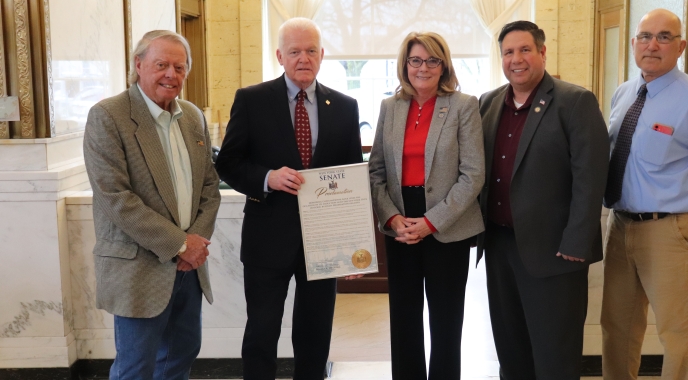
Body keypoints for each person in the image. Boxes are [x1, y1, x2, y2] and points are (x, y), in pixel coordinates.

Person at [214, 17, 363, 380]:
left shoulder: (344, 106)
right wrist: (267, 178)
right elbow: (228, 164)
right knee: (262, 333)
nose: (303, 58)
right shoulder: (251, 100)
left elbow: (353, 179)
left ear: (322, 55)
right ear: (280, 55)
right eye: (295, 51)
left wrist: (353, 246)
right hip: (268, 238)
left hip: (325, 243)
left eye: (311, 51)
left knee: (314, 335)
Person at [601, 9, 688, 380]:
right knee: (616, 328)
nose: (652, 44)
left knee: (678, 335)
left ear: (680, 47)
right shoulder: (624, 93)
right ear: (633, 44)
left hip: (672, 231)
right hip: (620, 225)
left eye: (664, 37)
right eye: (645, 36)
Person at [83, 30, 221, 379]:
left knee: (181, 356)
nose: (171, 74)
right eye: (161, 65)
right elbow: (116, 198)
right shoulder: (108, 116)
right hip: (138, 270)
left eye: (180, 66)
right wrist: (180, 244)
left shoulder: (192, 116)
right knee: (136, 367)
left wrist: (195, 244)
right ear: (138, 65)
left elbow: (209, 186)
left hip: (189, 269)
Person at [476, 21, 609, 379]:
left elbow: (590, 177)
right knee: (510, 349)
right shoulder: (488, 103)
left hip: (556, 253)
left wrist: (577, 242)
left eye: (524, 50)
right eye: (508, 52)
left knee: (555, 355)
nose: (516, 59)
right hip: (500, 247)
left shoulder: (574, 101)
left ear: (542, 52)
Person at [368, 31, 485, 379]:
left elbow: (473, 174)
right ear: (405, 64)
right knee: (403, 318)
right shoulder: (391, 107)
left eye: (432, 60)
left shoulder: (464, 105)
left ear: (444, 65)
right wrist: (391, 216)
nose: (424, 67)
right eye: (416, 60)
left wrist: (431, 221)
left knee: (446, 321)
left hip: (448, 222)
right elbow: (376, 170)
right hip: (400, 220)